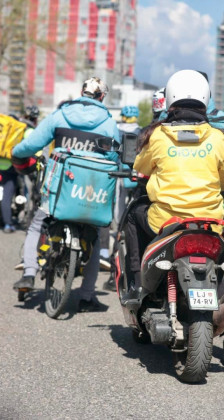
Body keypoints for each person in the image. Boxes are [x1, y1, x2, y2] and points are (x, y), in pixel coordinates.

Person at [125, 69, 224, 364]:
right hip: (210, 223)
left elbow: (140, 167)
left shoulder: (158, 135)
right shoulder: (218, 137)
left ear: (170, 99)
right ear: (205, 98)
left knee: (133, 215)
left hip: (166, 221)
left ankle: (137, 281)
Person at [12, 77, 120, 312]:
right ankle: (87, 296)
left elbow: (32, 144)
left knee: (36, 225)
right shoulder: (109, 124)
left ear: (81, 92)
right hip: (90, 196)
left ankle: (29, 273)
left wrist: (16, 153)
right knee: (94, 234)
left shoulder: (61, 115)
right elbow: (116, 158)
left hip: (58, 193)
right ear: (102, 97)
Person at [101, 105, 142, 291]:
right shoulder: (142, 131)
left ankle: (110, 257)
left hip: (119, 172)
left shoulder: (116, 129)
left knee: (117, 208)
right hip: (137, 174)